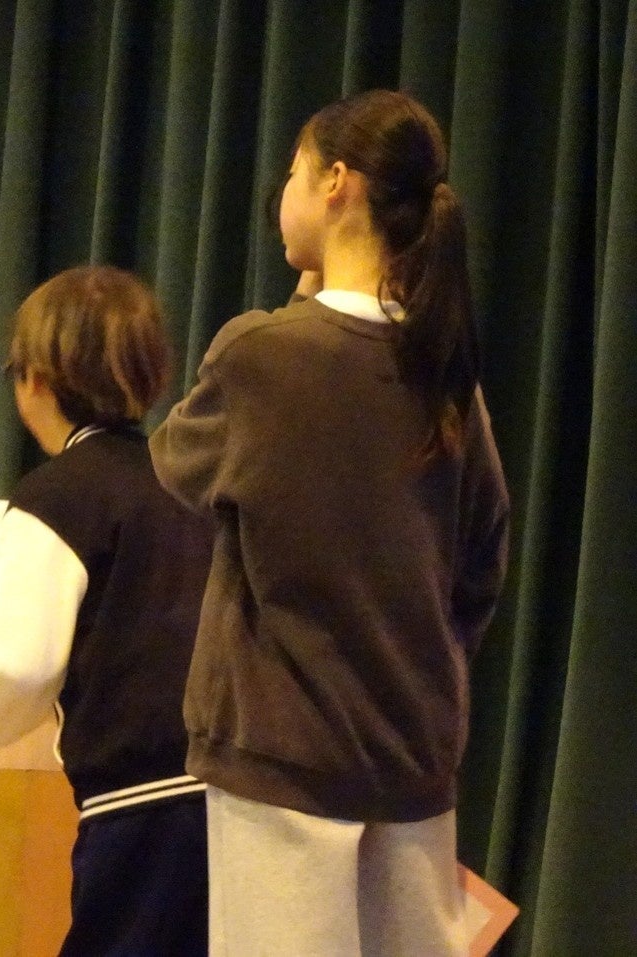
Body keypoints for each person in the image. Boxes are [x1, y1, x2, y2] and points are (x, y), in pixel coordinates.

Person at [149, 89, 511, 955]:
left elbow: (175, 462)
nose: (283, 194)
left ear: (335, 183)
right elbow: (481, 564)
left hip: (281, 758)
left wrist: (295, 304)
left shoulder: (262, 355)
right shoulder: (443, 376)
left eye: (293, 173)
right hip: (412, 757)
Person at [0, 265, 211, 954]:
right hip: (229, 792)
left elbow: (21, 665)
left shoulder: (59, 495)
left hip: (137, 801)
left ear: (33, 379)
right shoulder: (188, 485)